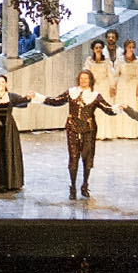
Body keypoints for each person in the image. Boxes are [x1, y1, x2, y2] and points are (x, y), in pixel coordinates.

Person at [40, 69, 118, 198]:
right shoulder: (71, 93)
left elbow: (108, 109)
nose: (83, 81)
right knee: (74, 158)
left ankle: (85, 184)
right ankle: (73, 187)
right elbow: (56, 100)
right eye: (81, 78)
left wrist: (119, 108)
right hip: (72, 128)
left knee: (87, 158)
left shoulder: (95, 95)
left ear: (90, 80)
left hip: (89, 130)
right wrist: (39, 98)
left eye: (86, 79)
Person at [110, 40, 138, 139]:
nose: (131, 49)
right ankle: (119, 132)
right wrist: (113, 86)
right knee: (121, 105)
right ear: (125, 48)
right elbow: (116, 74)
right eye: (129, 47)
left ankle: (130, 132)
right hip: (122, 85)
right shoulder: (120, 60)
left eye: (133, 47)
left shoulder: (137, 60)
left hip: (132, 86)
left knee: (131, 106)